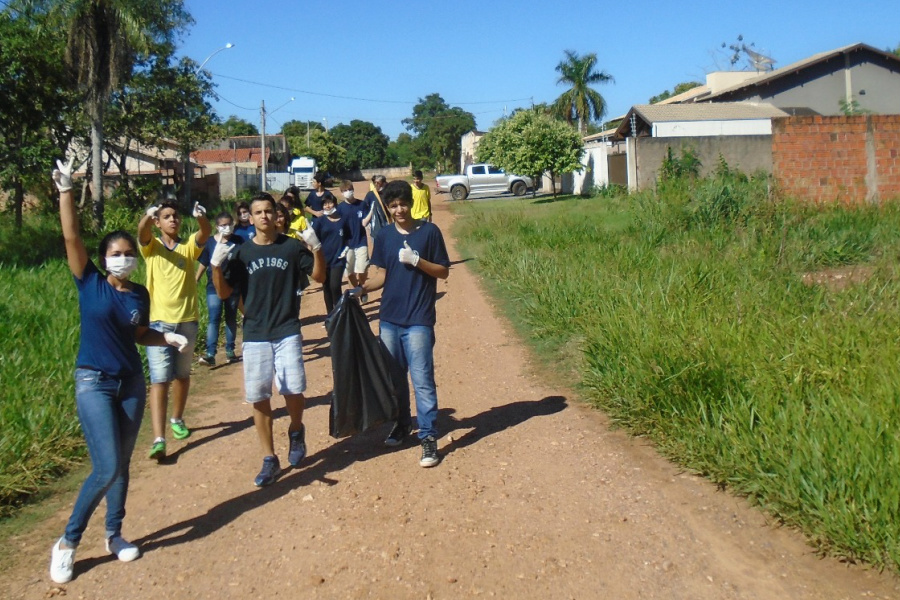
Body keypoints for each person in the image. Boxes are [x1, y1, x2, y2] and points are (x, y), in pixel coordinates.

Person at [49, 157, 189, 584]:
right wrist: (67, 190)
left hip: (130, 382)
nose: (123, 259)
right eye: (116, 254)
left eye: (129, 254)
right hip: (93, 381)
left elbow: (140, 334)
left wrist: (166, 338)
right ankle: (68, 542)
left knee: (123, 465)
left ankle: (114, 534)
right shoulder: (87, 280)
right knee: (106, 465)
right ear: (103, 258)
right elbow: (71, 236)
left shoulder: (139, 295)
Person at [211, 192, 326, 486]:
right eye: (257, 212)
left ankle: (296, 429)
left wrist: (317, 249)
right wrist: (215, 268)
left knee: (293, 389)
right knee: (259, 395)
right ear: (249, 217)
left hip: (287, 329)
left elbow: (319, 278)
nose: (263, 216)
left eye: (268, 211)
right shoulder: (241, 253)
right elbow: (225, 294)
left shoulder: (290, 247)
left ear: (276, 215)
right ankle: (269, 458)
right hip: (255, 334)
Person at [353, 180, 450, 467]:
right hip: (390, 319)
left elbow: (443, 271)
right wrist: (363, 289)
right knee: (394, 379)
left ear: (411, 202)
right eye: (392, 205)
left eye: (402, 204)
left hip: (418, 319)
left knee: (421, 380)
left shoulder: (429, 232)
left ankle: (429, 436)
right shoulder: (383, 236)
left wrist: (418, 260)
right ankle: (402, 423)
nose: (398, 210)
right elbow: (382, 273)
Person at [138, 199, 211, 461]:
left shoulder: (187, 247)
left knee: (181, 374)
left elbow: (204, 234)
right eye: (166, 216)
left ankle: (177, 418)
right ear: (158, 222)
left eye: (175, 216)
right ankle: (158, 438)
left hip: (187, 321)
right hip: (159, 323)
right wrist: (147, 216)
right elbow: (142, 234)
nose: (172, 220)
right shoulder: (152, 247)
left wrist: (201, 217)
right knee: (159, 379)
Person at [196, 212, 244, 367]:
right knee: (214, 318)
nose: (226, 227)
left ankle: (230, 350)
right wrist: (195, 279)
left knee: (230, 317)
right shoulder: (210, 243)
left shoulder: (239, 241)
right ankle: (210, 353)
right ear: (217, 226)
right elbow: (204, 263)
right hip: (213, 286)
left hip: (234, 284)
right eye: (223, 225)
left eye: (229, 224)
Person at [312, 192, 349, 315]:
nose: (327, 206)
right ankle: (330, 315)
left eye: (330, 203)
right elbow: (314, 239)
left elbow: (349, 237)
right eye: (325, 204)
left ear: (334, 203)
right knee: (326, 287)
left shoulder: (343, 220)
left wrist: (347, 249)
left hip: (338, 259)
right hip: (324, 259)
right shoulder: (320, 221)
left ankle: (340, 313)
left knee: (335, 286)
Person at [337, 179, 369, 297]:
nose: (348, 192)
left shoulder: (362, 205)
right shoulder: (340, 208)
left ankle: (362, 287)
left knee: (362, 270)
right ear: (341, 192)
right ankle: (356, 293)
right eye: (345, 190)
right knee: (349, 273)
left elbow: (365, 220)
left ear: (353, 190)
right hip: (347, 245)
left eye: (350, 189)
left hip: (361, 241)